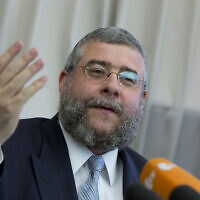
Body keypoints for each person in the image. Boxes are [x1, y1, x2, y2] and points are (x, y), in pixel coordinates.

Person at [0, 27, 148, 200]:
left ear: (142, 99)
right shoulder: (7, 144)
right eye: (97, 71)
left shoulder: (156, 185)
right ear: (64, 82)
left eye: (128, 79)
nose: (112, 87)